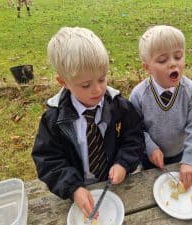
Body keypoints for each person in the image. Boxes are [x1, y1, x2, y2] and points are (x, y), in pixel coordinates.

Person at [32, 27, 144, 218]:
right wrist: (73, 188)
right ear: (63, 82)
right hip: (78, 191)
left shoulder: (118, 106)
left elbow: (134, 136)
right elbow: (48, 160)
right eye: (86, 85)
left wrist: (123, 163)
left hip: (116, 186)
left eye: (102, 79)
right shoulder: (54, 120)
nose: (97, 89)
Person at [130, 25, 192, 190]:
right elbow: (134, 129)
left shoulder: (190, 91)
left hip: (181, 154)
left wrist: (189, 160)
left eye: (178, 56)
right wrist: (150, 147)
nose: (173, 64)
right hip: (149, 157)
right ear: (148, 67)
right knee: (152, 191)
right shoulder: (138, 95)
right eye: (163, 60)